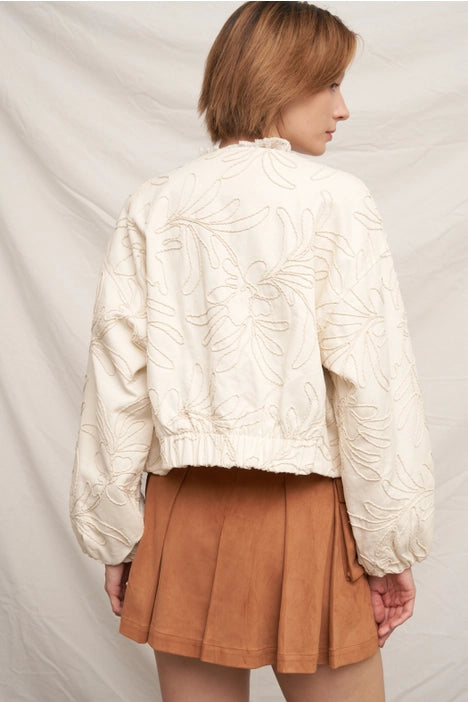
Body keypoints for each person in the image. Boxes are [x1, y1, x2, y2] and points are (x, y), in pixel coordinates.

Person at [70, 2, 434, 700]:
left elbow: (117, 385)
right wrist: (389, 548)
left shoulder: (155, 203)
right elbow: (372, 384)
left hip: (182, 514)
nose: (343, 108)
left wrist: (117, 536)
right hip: (306, 512)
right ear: (278, 79)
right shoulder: (337, 200)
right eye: (330, 84)